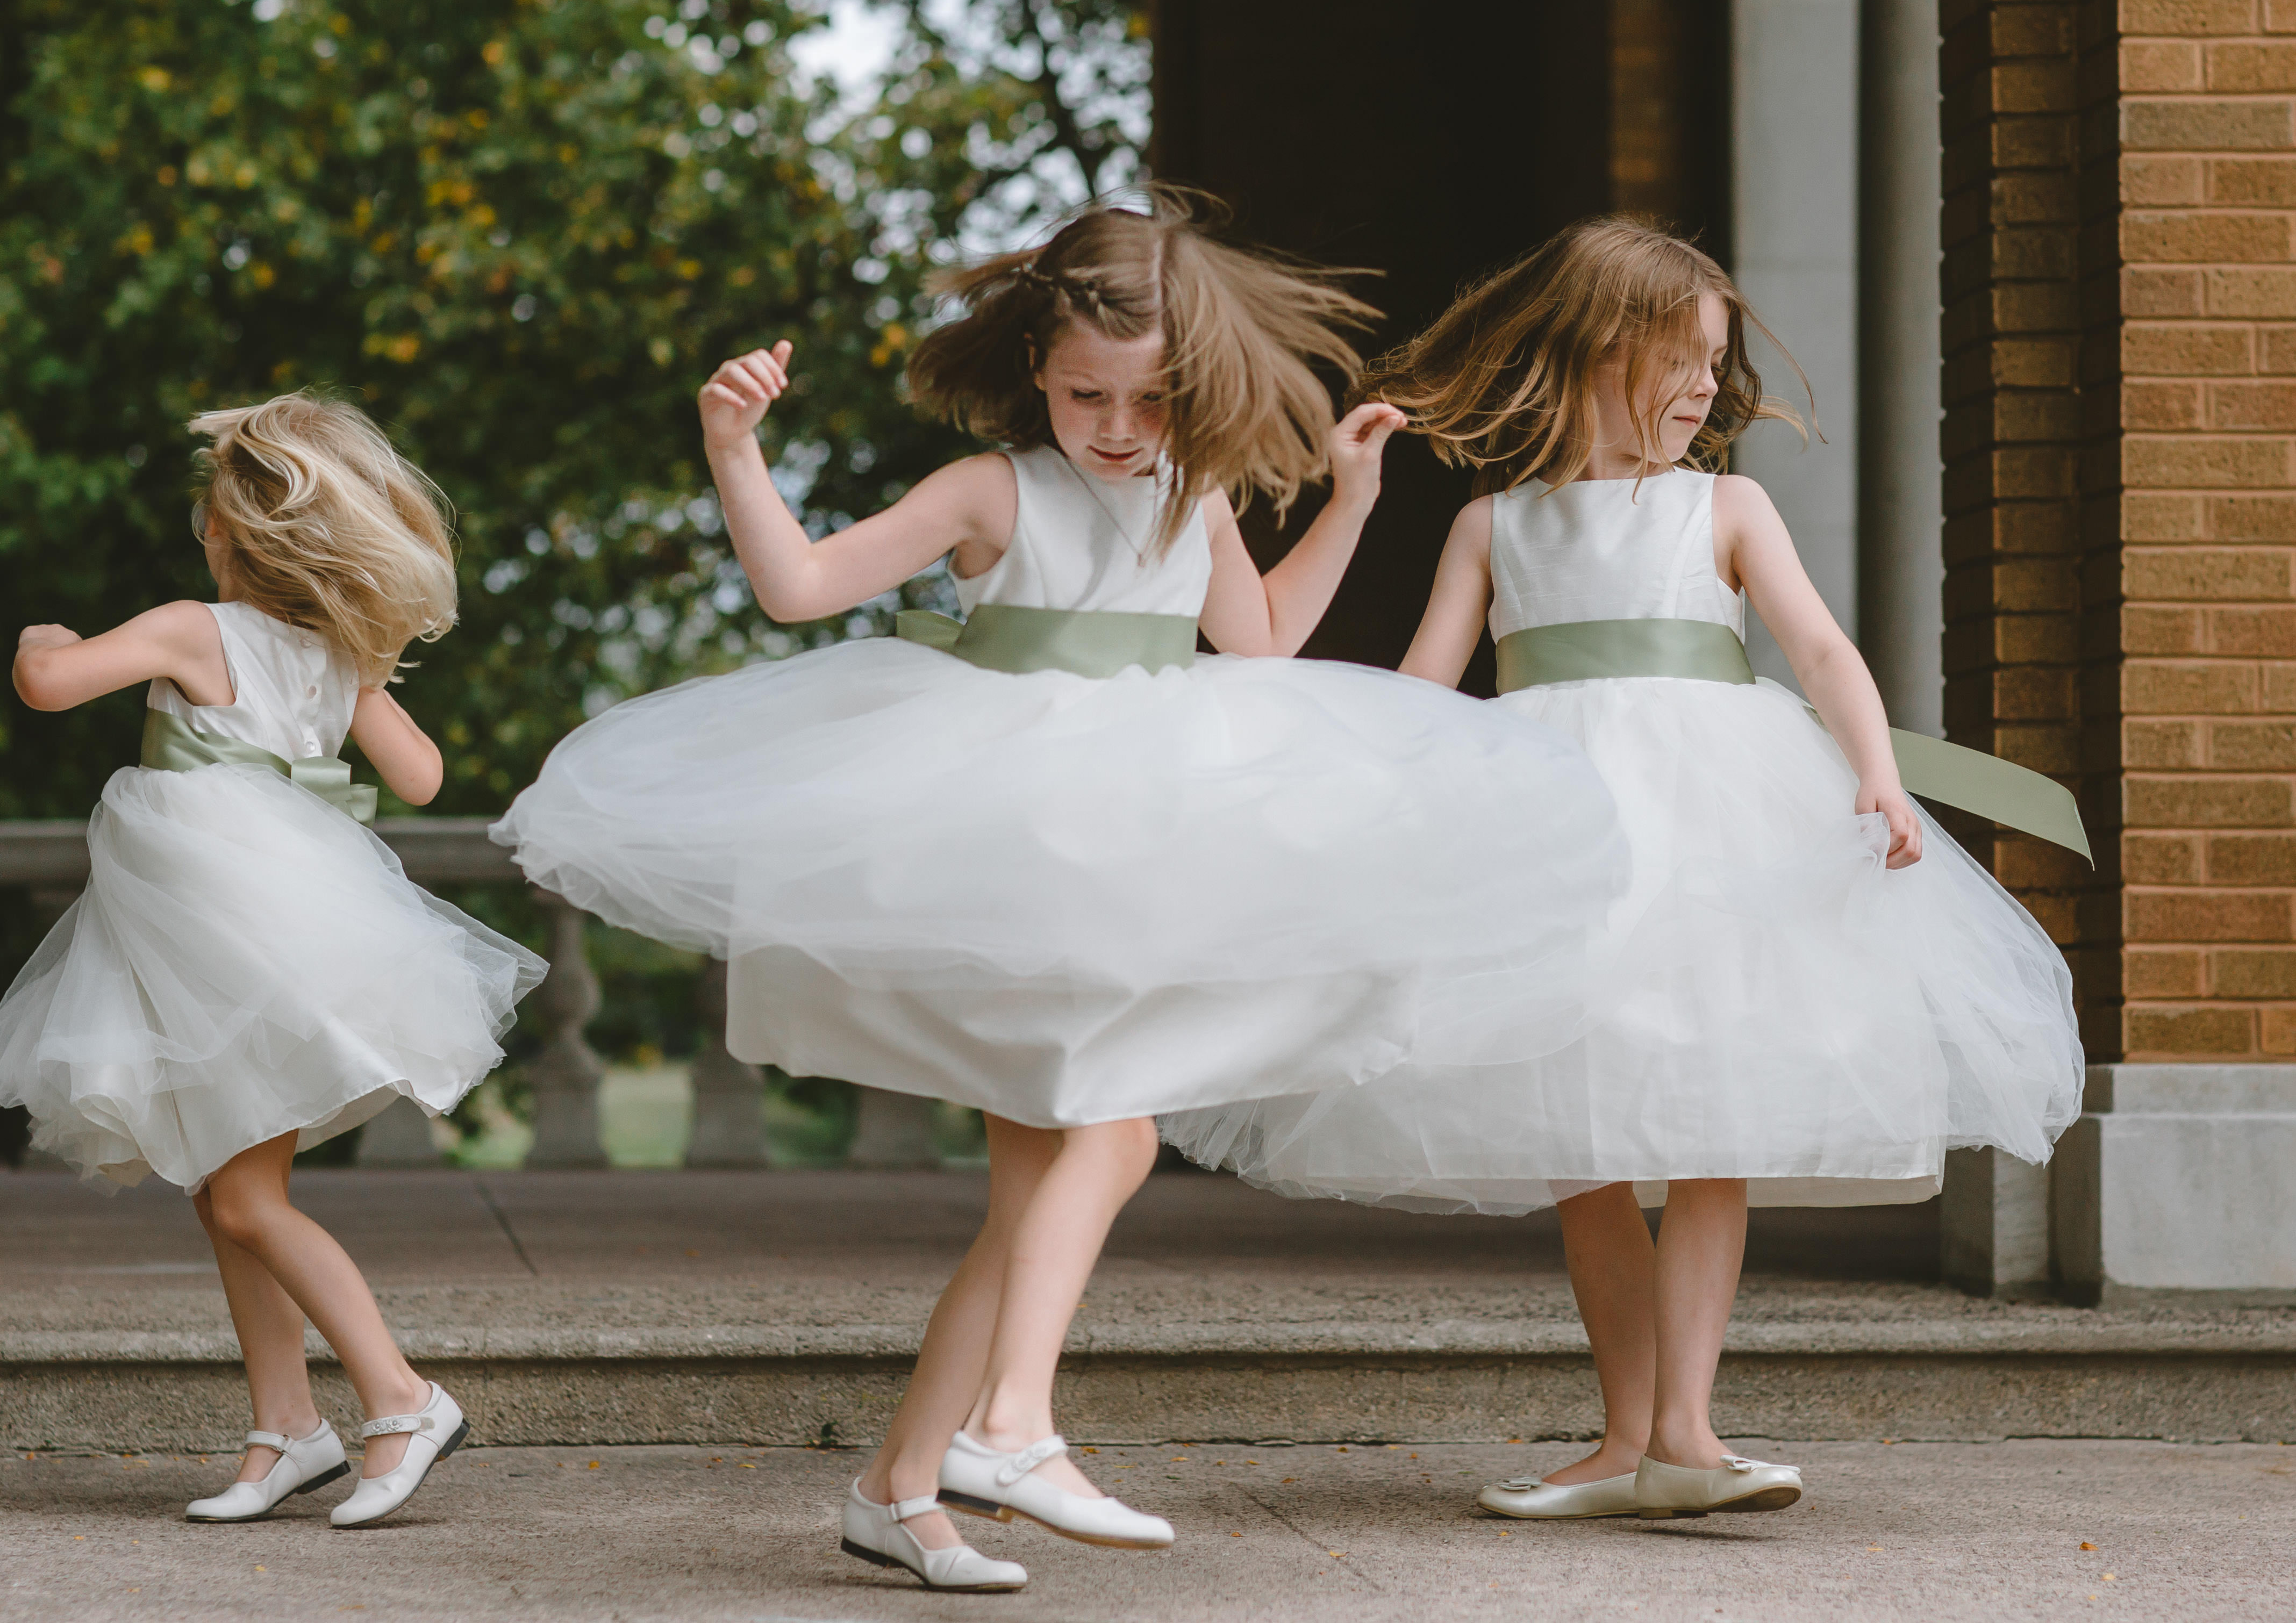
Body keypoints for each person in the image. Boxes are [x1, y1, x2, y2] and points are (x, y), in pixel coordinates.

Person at [491, 190, 1626, 1589]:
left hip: (1136, 850)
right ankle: (1014, 1428)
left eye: (1152, 401)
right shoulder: (994, 489)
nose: (1117, 426)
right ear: (1037, 367)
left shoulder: (1190, 495)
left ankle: (905, 1484)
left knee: (1045, 1190)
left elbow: (1262, 646)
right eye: (1088, 393)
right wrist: (735, 448)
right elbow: (799, 588)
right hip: (1008, 847)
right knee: (1115, 1136)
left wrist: (1351, 499)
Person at [1166, 217, 2084, 1523]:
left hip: (1723, 825)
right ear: (1601, 350)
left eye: (1717, 361)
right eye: (1684, 358)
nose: (1709, 384)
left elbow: (1820, 650)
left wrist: (1877, 769)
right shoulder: (1496, 523)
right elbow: (1429, 691)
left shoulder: (1727, 504)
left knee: (1715, 1129)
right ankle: (1624, 1438)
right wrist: (1369, 812)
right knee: (1579, 1139)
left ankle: (1688, 1431)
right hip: (1555, 835)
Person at [0, 393, 545, 1527]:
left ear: (220, 533)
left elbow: (49, 684)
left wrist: (43, 639)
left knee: (248, 1200)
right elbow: (419, 777)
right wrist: (352, 684)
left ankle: (402, 1394)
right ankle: (288, 1426)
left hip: (230, 945)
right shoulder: (337, 652)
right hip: (270, 934)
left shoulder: (196, 628)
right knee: (226, 1190)